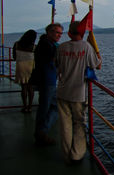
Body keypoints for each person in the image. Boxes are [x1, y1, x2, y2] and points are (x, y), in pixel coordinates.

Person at [56, 21, 101, 164]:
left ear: (69, 33)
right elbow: (97, 65)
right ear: (82, 33)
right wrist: (97, 51)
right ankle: (76, 154)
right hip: (79, 93)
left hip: (62, 91)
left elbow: (57, 65)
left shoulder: (61, 47)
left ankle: (66, 153)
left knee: (65, 124)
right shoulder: (86, 47)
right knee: (79, 124)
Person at [33, 23, 63, 146]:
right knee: (45, 108)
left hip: (48, 80)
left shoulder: (46, 43)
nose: (59, 35)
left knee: (51, 106)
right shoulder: (47, 45)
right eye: (57, 32)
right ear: (49, 32)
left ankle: (41, 132)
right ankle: (41, 133)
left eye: (61, 33)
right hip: (47, 80)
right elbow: (53, 60)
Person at [13, 29, 37, 113]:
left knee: (23, 87)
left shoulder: (17, 44)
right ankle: (30, 107)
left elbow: (14, 57)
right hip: (30, 67)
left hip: (20, 67)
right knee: (30, 88)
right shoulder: (34, 47)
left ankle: (24, 106)